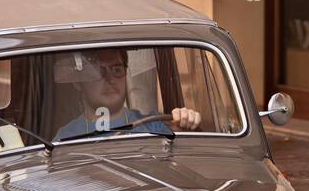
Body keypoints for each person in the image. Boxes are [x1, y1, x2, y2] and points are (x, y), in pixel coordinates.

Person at [54, 48, 201, 142]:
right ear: (78, 83)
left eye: (117, 70)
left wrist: (186, 125)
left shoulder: (154, 126)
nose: (110, 78)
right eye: (99, 71)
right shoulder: (65, 138)